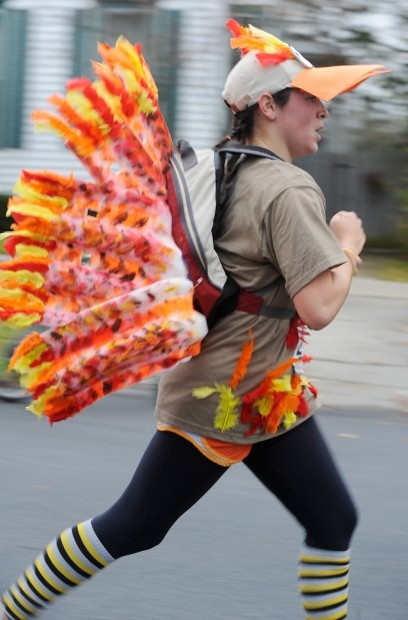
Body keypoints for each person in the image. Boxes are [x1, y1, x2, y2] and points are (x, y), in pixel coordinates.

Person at [1, 20, 389, 620]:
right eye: (312, 98)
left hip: (263, 392)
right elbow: (319, 307)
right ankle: (12, 610)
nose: (324, 111)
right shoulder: (288, 190)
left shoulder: (214, 166)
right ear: (269, 104)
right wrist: (348, 246)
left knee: (333, 518)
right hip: (222, 397)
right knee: (133, 526)